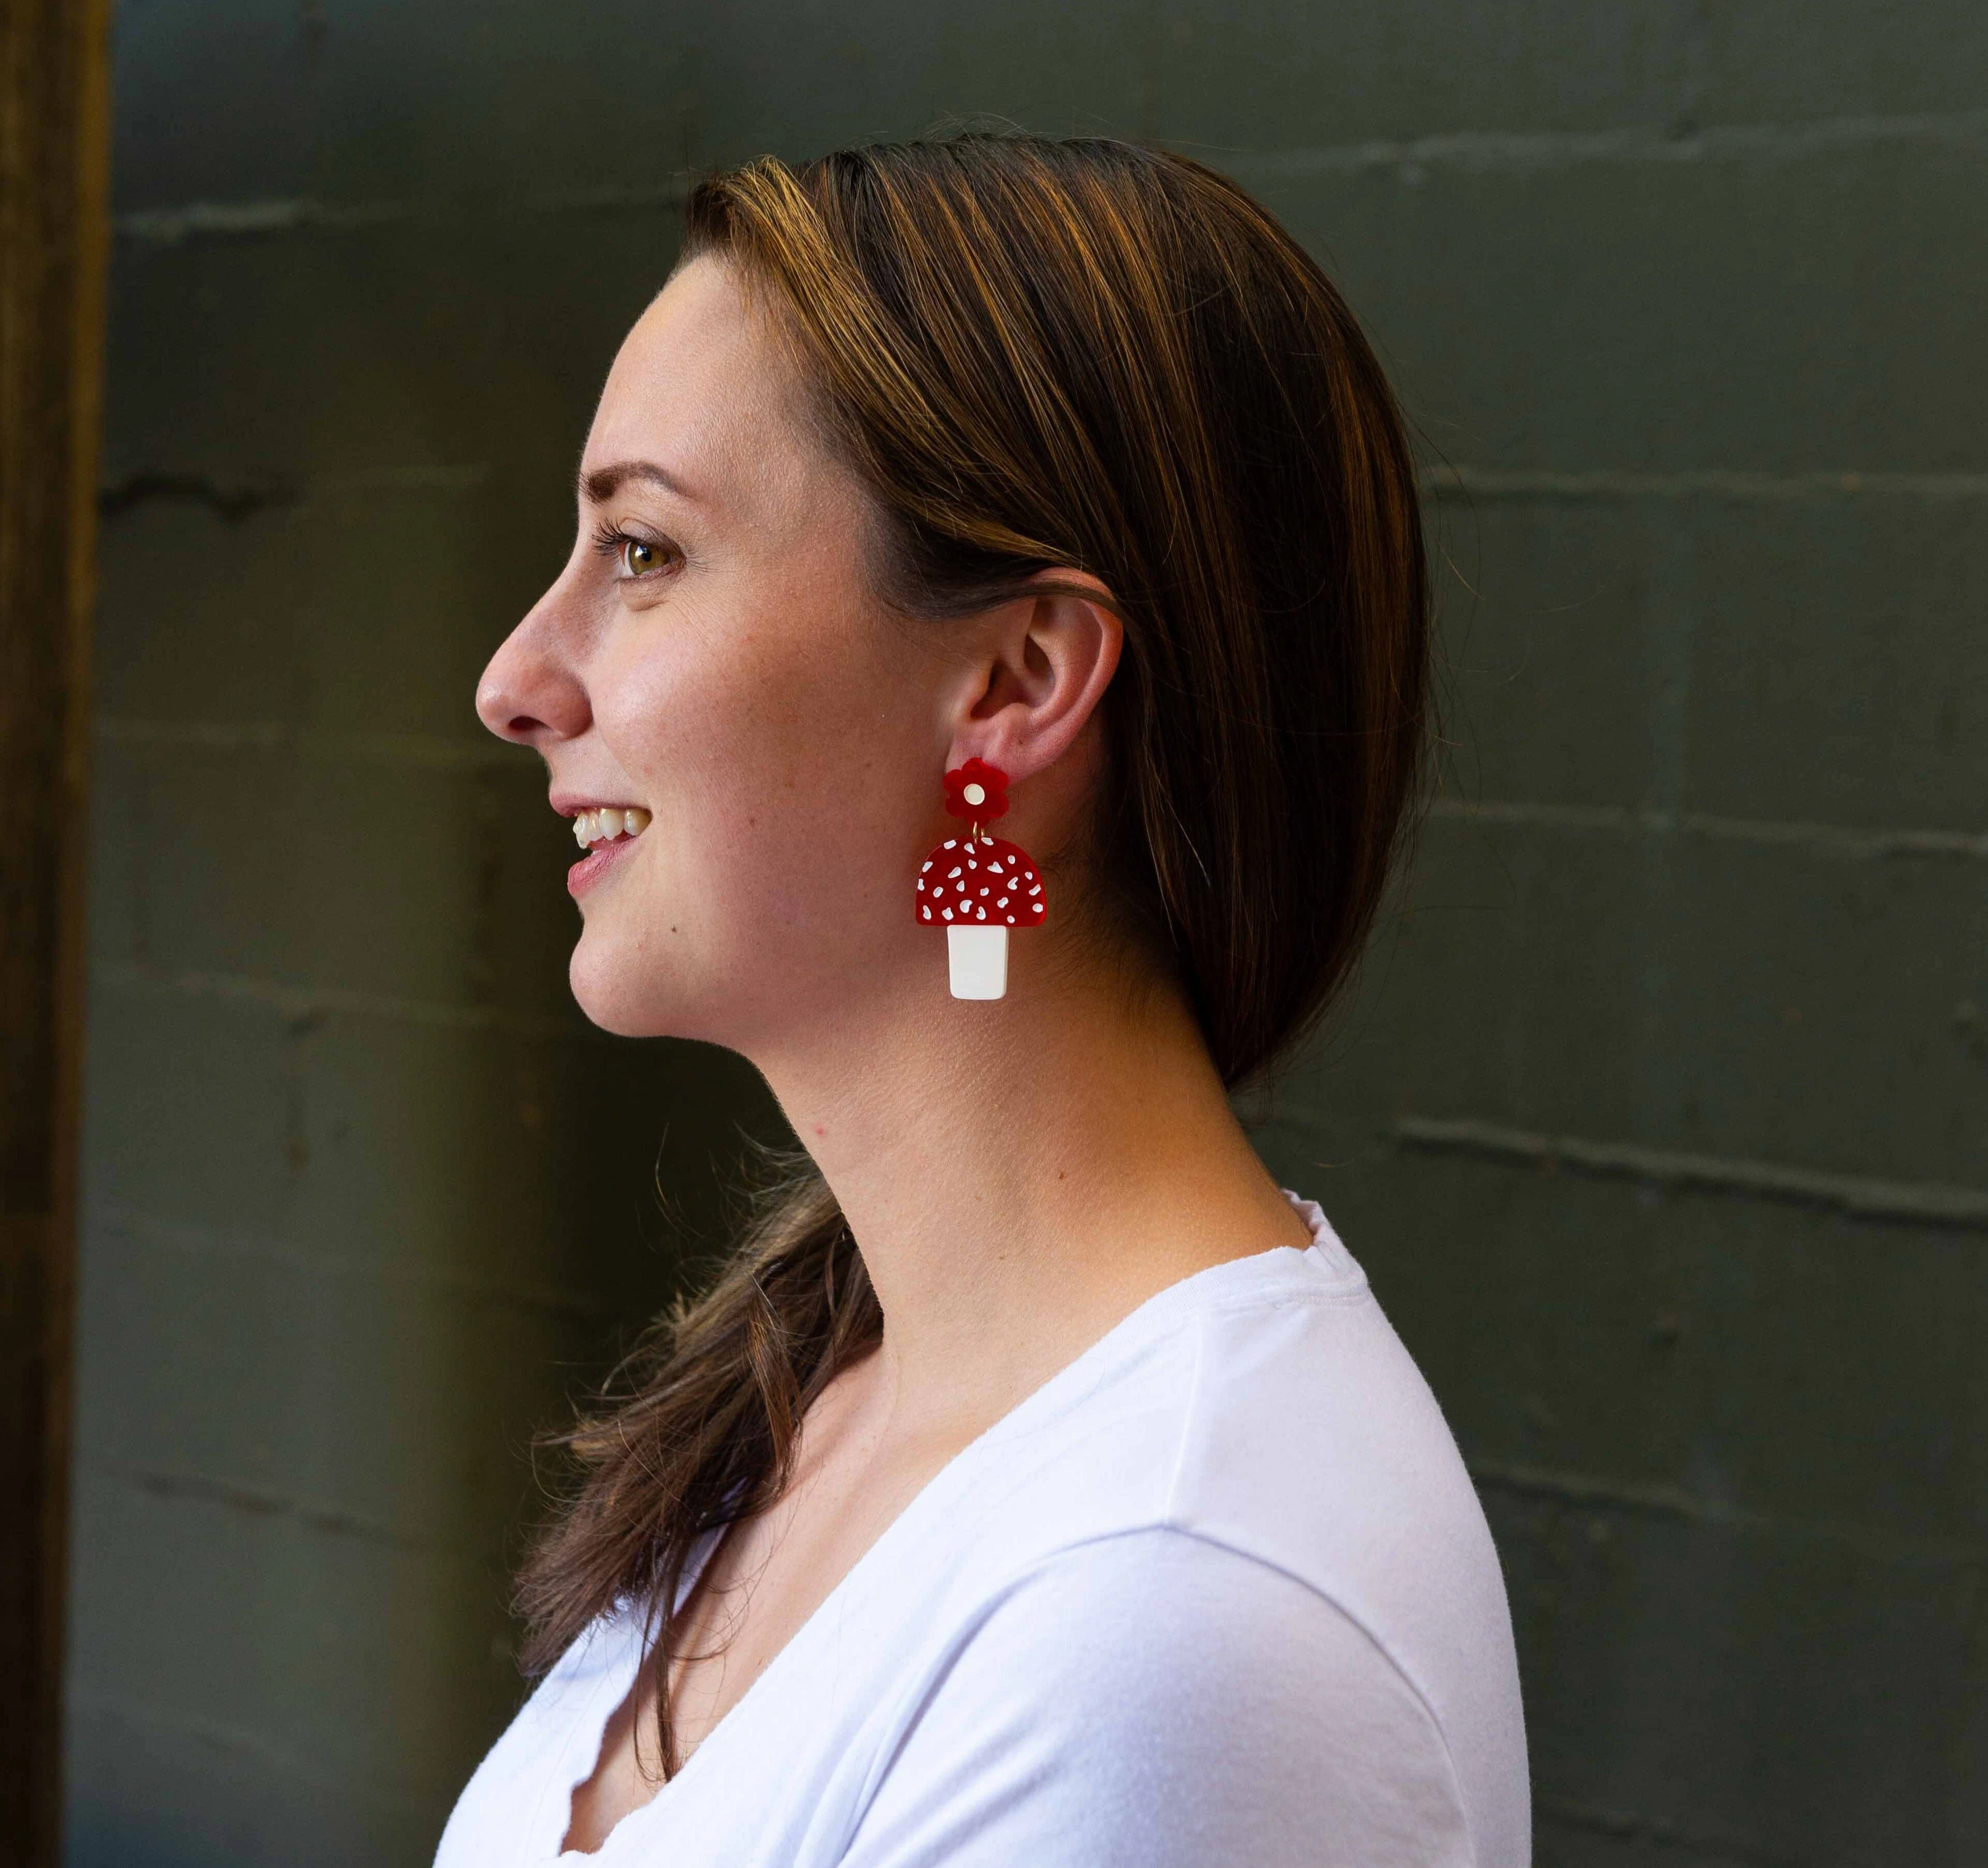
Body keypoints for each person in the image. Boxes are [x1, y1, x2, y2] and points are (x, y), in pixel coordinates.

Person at [447, 135, 1529, 1866]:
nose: (517, 681)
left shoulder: (1170, 1604)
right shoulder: (830, 1383)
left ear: (1015, 681)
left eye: (643, 553)